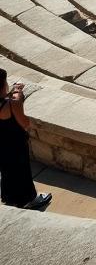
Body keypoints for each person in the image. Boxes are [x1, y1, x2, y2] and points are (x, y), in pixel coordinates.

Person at [0, 69, 52, 210]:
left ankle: (9, 197)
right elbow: (25, 123)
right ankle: (29, 199)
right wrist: (18, 95)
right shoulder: (12, 104)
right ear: (3, 85)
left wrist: (14, 93)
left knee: (6, 171)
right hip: (15, 142)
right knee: (22, 170)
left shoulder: (10, 101)